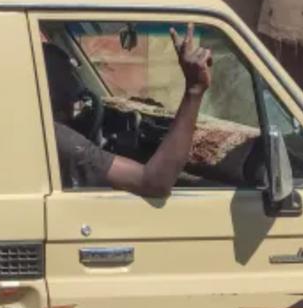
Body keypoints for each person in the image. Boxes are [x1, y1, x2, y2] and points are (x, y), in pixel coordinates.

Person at [46, 26, 213, 196]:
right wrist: (194, 90)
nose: (77, 101)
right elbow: (153, 182)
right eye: (69, 77)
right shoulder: (56, 139)